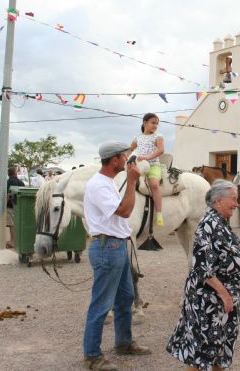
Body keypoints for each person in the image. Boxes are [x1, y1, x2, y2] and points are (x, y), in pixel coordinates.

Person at [167, 180, 240, 371]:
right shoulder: (208, 225)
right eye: (233, 199)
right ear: (218, 201)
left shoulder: (220, 222)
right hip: (209, 301)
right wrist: (225, 294)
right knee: (201, 354)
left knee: (217, 351)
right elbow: (202, 267)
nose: (236, 204)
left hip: (220, 302)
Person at [82, 141, 151, 370]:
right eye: (124, 157)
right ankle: (92, 356)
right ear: (114, 161)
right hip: (108, 248)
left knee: (125, 298)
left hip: (115, 246)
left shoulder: (106, 182)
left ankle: (123, 342)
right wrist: (132, 180)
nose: (127, 160)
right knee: (101, 304)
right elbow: (124, 210)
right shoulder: (99, 185)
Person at [130, 112, 165, 227]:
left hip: (153, 165)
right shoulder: (137, 137)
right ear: (145, 123)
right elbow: (129, 149)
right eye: (153, 123)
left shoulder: (158, 136)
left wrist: (147, 157)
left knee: (154, 185)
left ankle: (159, 213)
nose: (155, 125)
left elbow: (160, 150)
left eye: (157, 123)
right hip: (140, 165)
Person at [6, 167, 25, 249]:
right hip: (20, 205)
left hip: (10, 206)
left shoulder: (8, 182)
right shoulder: (21, 182)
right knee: (18, 223)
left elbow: (7, 195)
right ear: (15, 173)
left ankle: (13, 241)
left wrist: (4, 205)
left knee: (12, 224)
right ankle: (20, 240)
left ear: (9, 173)